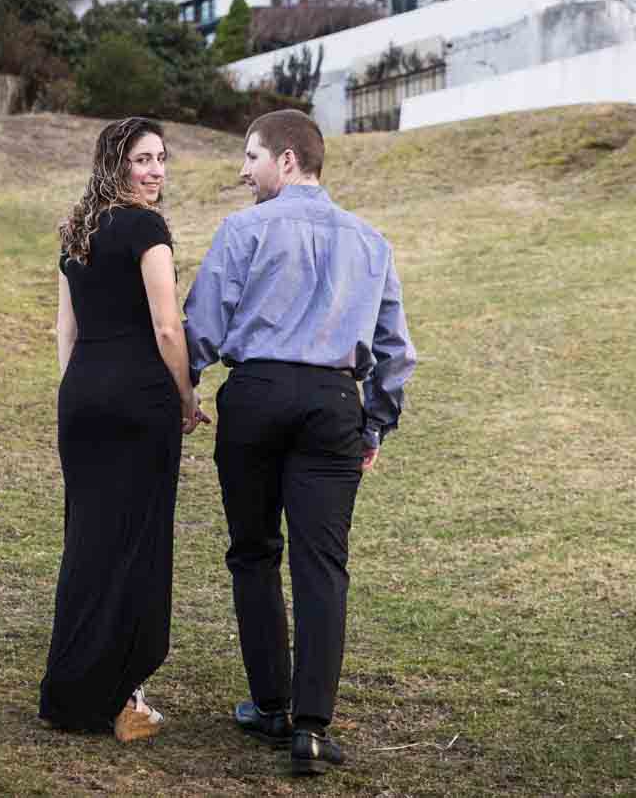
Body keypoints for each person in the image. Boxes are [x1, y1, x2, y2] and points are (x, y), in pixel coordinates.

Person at [183, 109, 418, 777]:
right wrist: (373, 424)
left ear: (287, 160)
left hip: (255, 395)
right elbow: (396, 353)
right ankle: (312, 726)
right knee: (323, 564)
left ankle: (270, 704)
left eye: (251, 156)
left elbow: (202, 324)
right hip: (332, 403)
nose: (242, 169)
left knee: (253, 551)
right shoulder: (372, 242)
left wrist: (184, 392)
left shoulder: (242, 229)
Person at [39, 117, 207, 742]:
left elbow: (66, 330)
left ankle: (68, 694)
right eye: (142, 159)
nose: (156, 170)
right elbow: (168, 328)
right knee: (136, 548)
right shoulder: (146, 227)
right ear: (116, 165)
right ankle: (123, 698)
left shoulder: (76, 232)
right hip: (139, 402)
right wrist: (188, 397)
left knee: (87, 543)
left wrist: (77, 388)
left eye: (161, 158)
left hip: (81, 399)